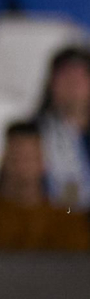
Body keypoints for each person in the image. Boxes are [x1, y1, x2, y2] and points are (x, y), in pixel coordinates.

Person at [0, 122, 90, 250]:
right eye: (16, 158)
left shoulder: (67, 222)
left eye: (29, 158)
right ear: (3, 160)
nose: (22, 167)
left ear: (43, 162)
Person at [37, 47, 90, 210]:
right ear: (51, 83)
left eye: (80, 77)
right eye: (65, 76)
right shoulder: (35, 133)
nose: (72, 84)